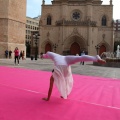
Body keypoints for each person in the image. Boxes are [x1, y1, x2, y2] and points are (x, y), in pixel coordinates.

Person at [41, 51, 106, 101]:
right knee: (80, 58)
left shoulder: (53, 75)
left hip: (59, 66)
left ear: (54, 72)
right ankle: (96, 58)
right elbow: (47, 54)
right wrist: (43, 55)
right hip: (66, 64)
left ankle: (64, 94)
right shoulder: (53, 55)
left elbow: (50, 87)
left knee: (63, 80)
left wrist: (48, 98)